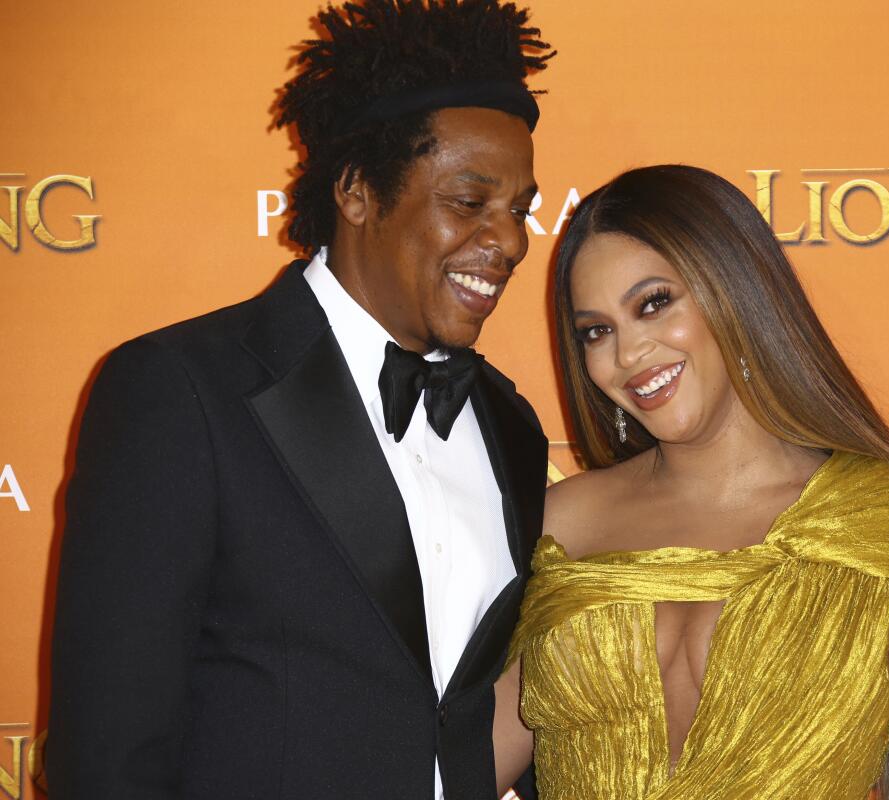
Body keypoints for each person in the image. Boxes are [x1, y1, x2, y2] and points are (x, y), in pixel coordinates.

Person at [47, 1, 551, 797]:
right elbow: (110, 757)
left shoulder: (509, 425)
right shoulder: (180, 390)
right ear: (356, 193)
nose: (515, 240)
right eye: (469, 201)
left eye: (520, 210)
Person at [492, 165, 889, 800]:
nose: (626, 355)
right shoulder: (560, 524)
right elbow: (454, 766)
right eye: (597, 331)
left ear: (736, 291)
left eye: (654, 304)